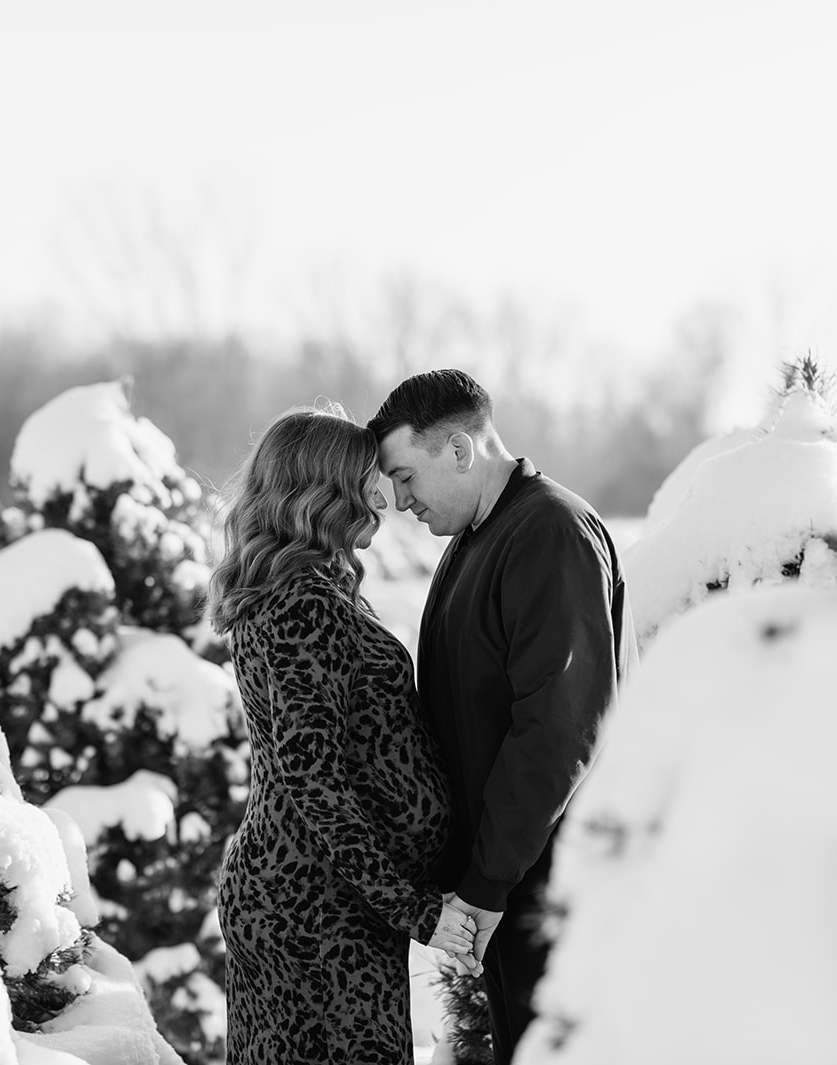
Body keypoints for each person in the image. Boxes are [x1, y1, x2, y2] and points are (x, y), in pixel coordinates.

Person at [368, 370, 636, 1064]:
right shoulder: (476, 537)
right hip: (514, 882)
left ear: (458, 450)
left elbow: (561, 725)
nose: (399, 501)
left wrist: (487, 882)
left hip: (553, 886)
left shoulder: (549, 530)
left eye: (404, 475)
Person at [206, 403, 481, 1065]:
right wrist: (414, 908)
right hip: (315, 915)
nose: (381, 495)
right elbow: (312, 778)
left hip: (312, 899)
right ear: (325, 490)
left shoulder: (297, 584)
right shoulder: (302, 600)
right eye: (368, 479)